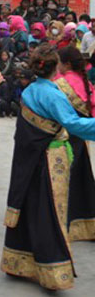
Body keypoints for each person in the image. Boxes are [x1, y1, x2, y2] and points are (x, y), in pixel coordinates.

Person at [0, 43, 95, 291]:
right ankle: (51, 269)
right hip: (50, 160)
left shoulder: (31, 90)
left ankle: (18, 262)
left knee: (31, 208)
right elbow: (72, 124)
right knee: (48, 213)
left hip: (29, 158)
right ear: (56, 69)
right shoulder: (53, 95)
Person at [55, 46, 95, 242]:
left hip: (63, 138)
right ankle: (87, 223)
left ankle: (63, 222)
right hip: (81, 137)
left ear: (66, 64)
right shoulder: (85, 82)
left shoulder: (59, 83)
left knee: (63, 179)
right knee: (82, 178)